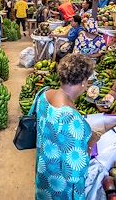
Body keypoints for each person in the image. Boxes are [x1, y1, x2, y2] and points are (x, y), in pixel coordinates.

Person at [34, 54, 96, 200]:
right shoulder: (70, 117)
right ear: (83, 82)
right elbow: (74, 173)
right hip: (61, 188)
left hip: (45, 171)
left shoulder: (44, 95)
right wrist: (90, 144)